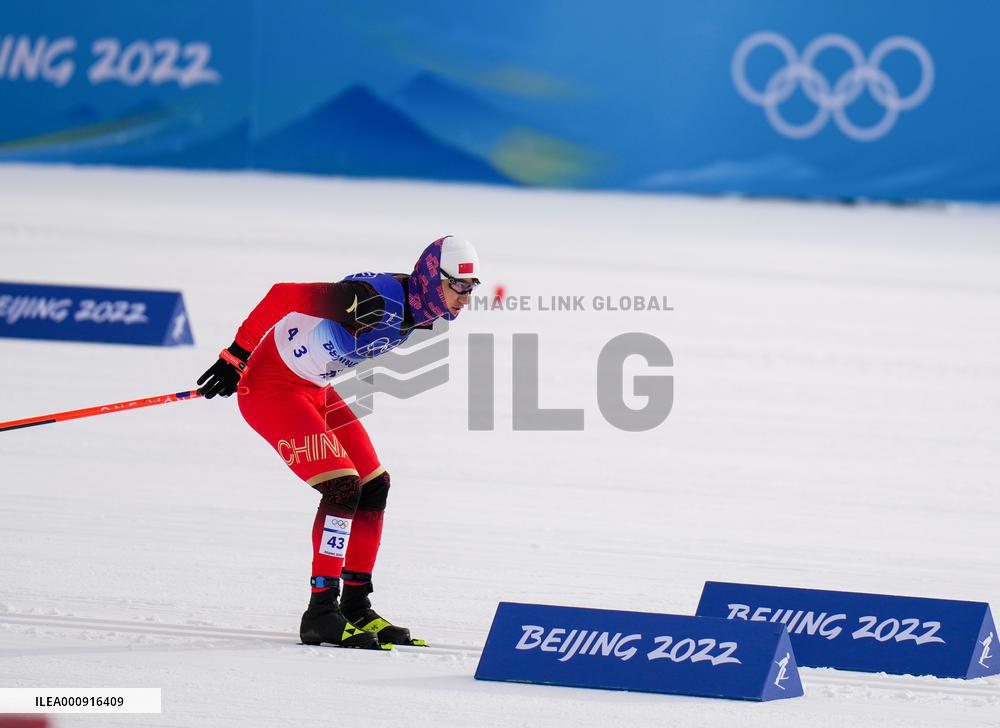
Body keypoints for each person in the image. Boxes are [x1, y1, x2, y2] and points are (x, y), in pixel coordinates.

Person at [196, 236, 480, 650]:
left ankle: (355, 605)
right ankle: (321, 612)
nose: (466, 298)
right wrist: (235, 357)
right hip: (272, 389)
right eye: (458, 286)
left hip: (314, 389)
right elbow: (283, 295)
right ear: (431, 280)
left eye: (472, 288)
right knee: (343, 486)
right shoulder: (367, 300)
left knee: (374, 486)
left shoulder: (422, 310)